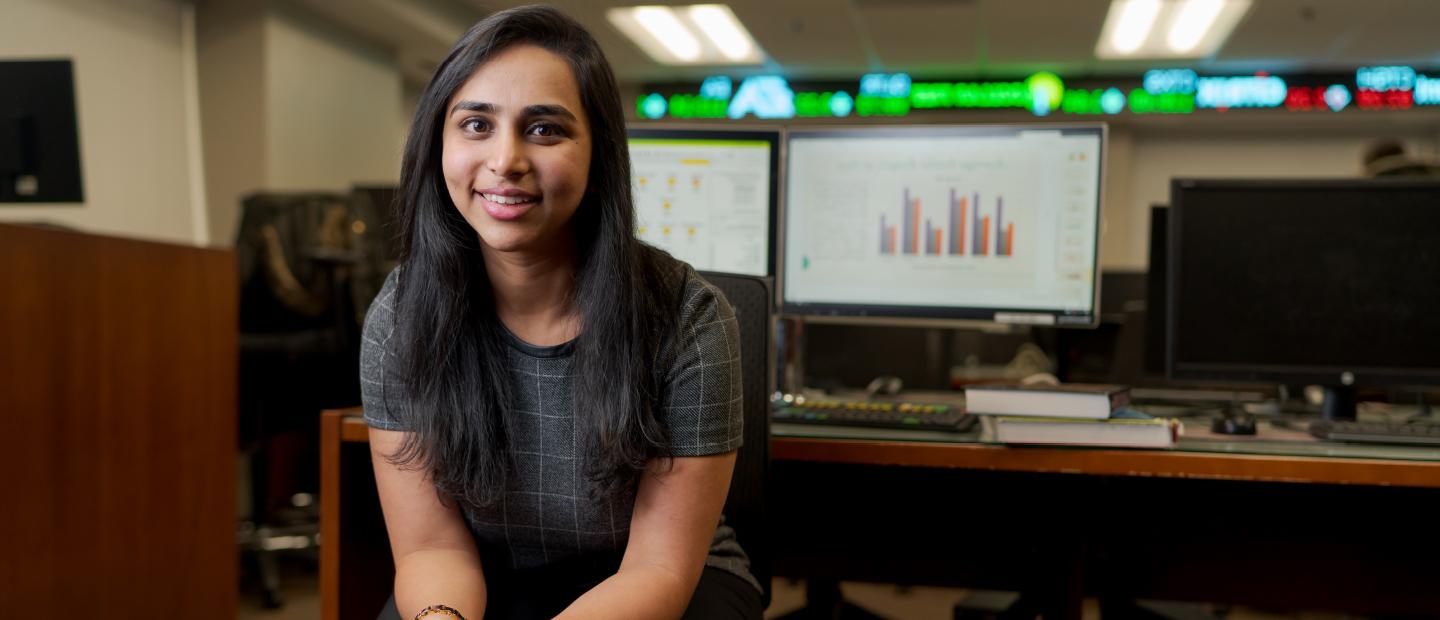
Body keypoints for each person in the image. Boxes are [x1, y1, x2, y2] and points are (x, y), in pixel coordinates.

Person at [360, 5, 761, 620]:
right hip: (486, 575)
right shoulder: (403, 314)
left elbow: (659, 568)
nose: (506, 160)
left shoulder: (687, 316)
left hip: (661, 581)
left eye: (545, 129)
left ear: (598, 154)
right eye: (475, 125)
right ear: (438, 142)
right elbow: (430, 548)